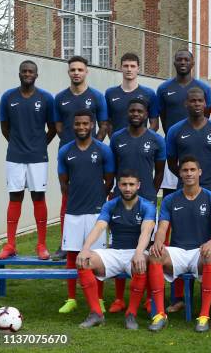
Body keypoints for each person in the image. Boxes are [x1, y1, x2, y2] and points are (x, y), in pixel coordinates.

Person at [147, 155, 211, 332]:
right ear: (180, 174)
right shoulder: (169, 199)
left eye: (192, 170)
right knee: (154, 254)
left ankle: (204, 316)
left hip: (200, 251)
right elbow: (162, 228)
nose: (189, 174)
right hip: (177, 252)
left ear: (200, 173)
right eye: (185, 170)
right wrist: (158, 242)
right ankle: (160, 314)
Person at [75, 170, 156, 329]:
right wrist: (85, 248)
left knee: (141, 263)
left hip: (137, 251)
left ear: (138, 186)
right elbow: (99, 227)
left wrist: (139, 252)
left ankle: (131, 314)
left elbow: (146, 231)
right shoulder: (110, 205)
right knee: (84, 261)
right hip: (115, 252)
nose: (127, 188)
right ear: (118, 185)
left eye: (131, 184)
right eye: (124, 184)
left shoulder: (147, 206)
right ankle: (96, 313)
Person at [109, 98, 165, 313]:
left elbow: (159, 170)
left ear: (146, 114)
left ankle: (149, 297)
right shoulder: (117, 138)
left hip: (147, 201)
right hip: (121, 200)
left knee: (148, 248)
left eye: (140, 111)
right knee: (119, 245)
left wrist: (151, 191)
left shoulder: (156, 140)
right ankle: (119, 298)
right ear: (127, 113)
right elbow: (113, 170)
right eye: (132, 110)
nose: (135, 114)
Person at [0, 60, 56, 260]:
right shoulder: (8, 97)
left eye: (31, 71)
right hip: (15, 156)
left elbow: (53, 127)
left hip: (38, 157)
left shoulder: (46, 98)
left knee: (38, 197)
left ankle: (41, 245)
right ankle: (11, 244)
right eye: (24, 71)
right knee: (15, 198)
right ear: (19, 73)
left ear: (36, 75)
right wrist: (17, 144)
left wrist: (39, 145)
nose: (27, 74)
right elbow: (4, 127)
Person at [57, 109, 115, 314]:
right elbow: (63, 182)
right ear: (73, 126)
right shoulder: (65, 151)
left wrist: (99, 196)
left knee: (95, 256)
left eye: (85, 124)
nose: (81, 127)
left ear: (93, 125)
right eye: (78, 124)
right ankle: (71, 298)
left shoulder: (103, 150)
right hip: (73, 212)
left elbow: (109, 179)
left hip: (96, 213)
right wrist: (74, 198)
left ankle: (99, 300)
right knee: (72, 255)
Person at [53, 55, 108, 261]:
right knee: (66, 195)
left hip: (93, 155)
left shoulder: (97, 96)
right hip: (70, 156)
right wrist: (72, 147)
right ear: (69, 72)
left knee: (96, 197)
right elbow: (58, 125)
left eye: (80, 69)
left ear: (86, 72)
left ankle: (95, 242)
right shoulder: (60, 98)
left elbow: (103, 124)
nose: (76, 73)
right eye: (73, 69)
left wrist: (94, 145)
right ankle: (65, 243)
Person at [157, 49, 211, 197]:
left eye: (186, 60)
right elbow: (163, 116)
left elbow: (204, 115)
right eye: (179, 59)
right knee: (172, 192)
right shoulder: (163, 89)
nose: (183, 62)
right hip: (175, 144)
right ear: (174, 62)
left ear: (192, 63)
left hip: (198, 143)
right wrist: (174, 134)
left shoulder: (204, 88)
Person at [166, 87, 211, 195]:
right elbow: (171, 164)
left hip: (210, 188)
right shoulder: (175, 130)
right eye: (193, 101)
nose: (197, 103)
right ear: (186, 103)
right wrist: (186, 178)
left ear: (205, 103)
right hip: (184, 188)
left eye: (200, 100)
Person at [105, 52, 159, 135]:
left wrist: (143, 139)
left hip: (140, 145)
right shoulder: (110, 93)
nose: (129, 69)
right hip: (117, 145)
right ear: (120, 68)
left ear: (138, 69)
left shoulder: (149, 94)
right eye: (126, 66)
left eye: (132, 66)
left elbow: (154, 124)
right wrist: (114, 140)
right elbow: (107, 123)